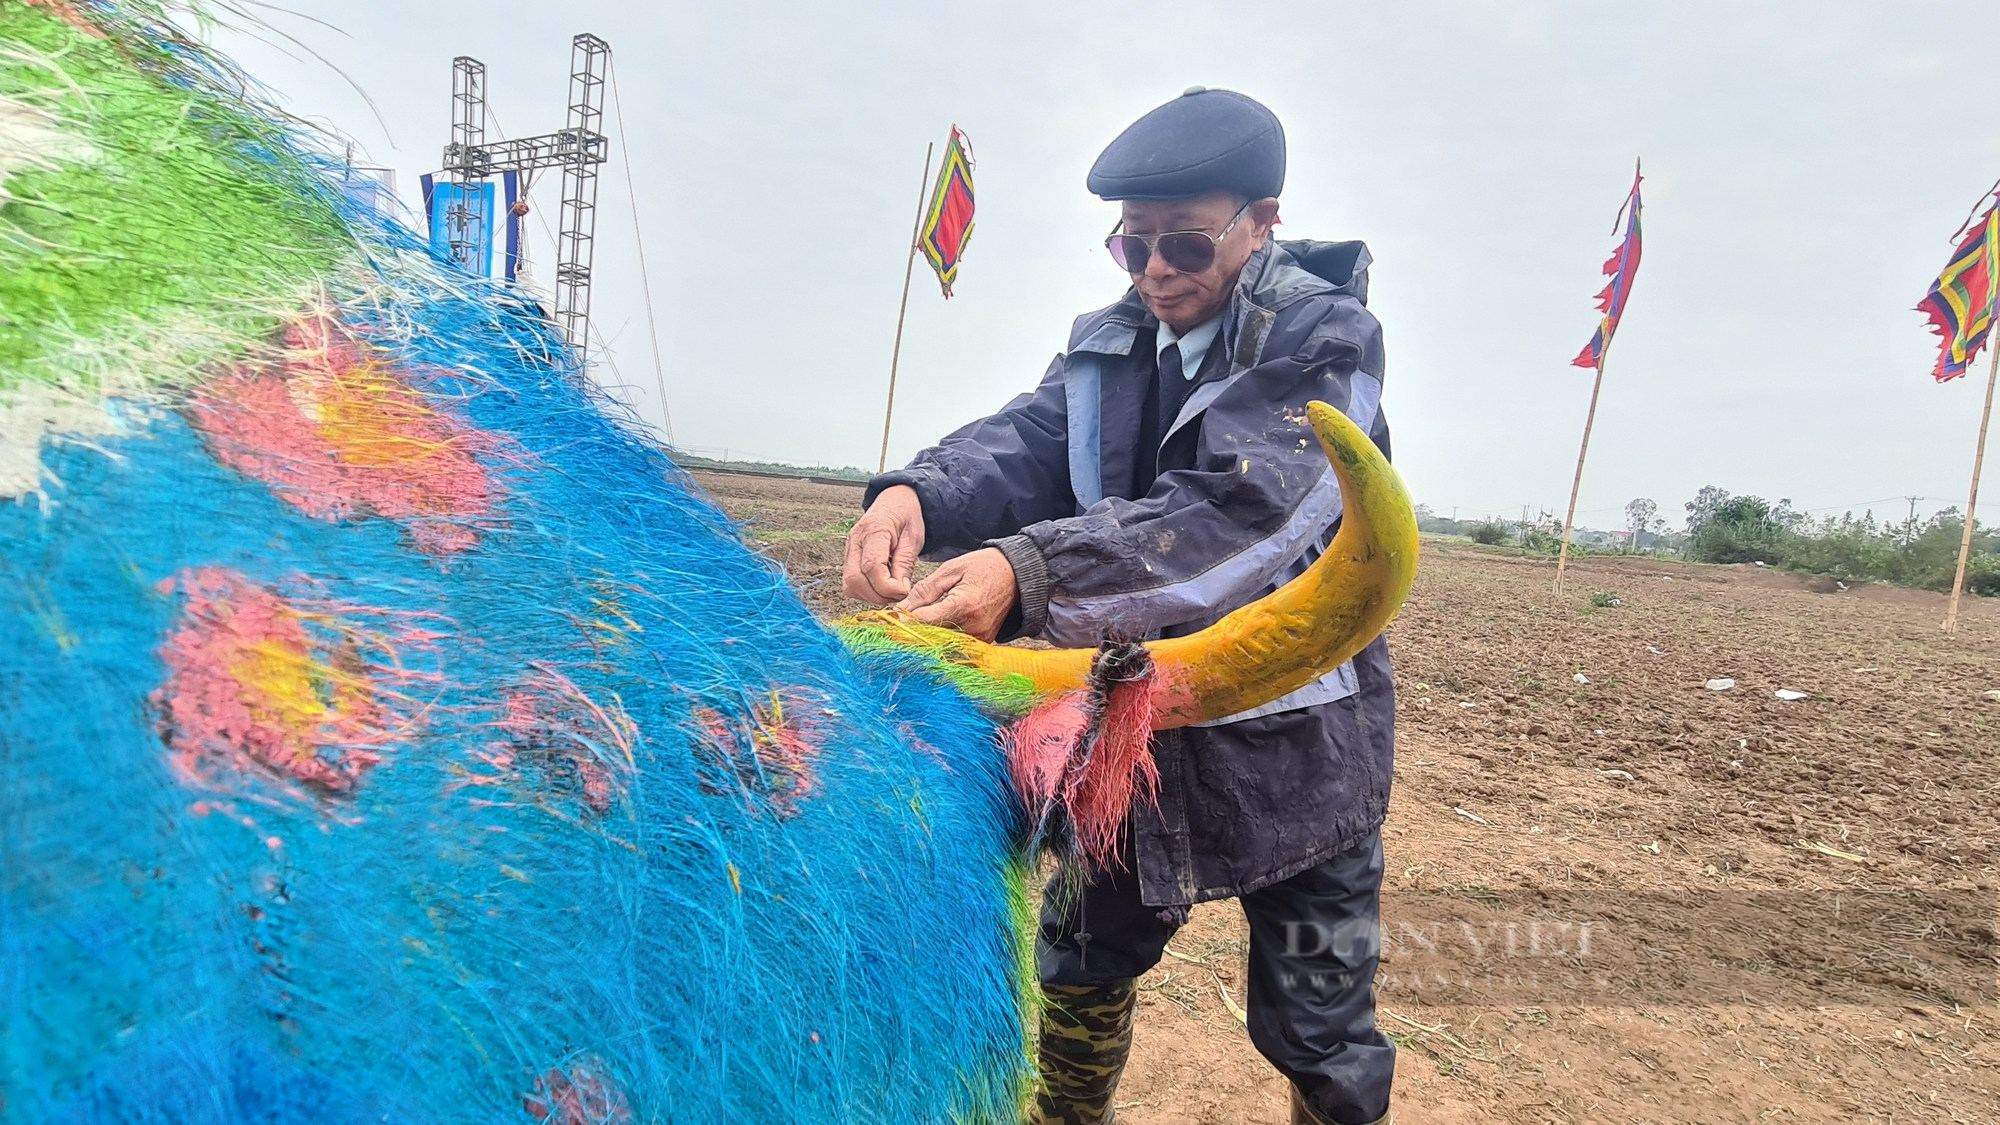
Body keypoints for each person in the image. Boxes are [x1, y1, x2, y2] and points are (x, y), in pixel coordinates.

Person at [843, 88, 1397, 1125]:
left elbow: (1243, 507)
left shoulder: (1325, 339)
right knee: (1078, 974)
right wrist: (911, 491)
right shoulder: (1107, 340)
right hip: (1124, 729)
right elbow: (1025, 439)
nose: (1153, 274)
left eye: (1182, 245)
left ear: (1261, 222)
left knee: (1320, 1030)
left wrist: (1028, 572)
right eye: (1129, 246)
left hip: (1298, 748)